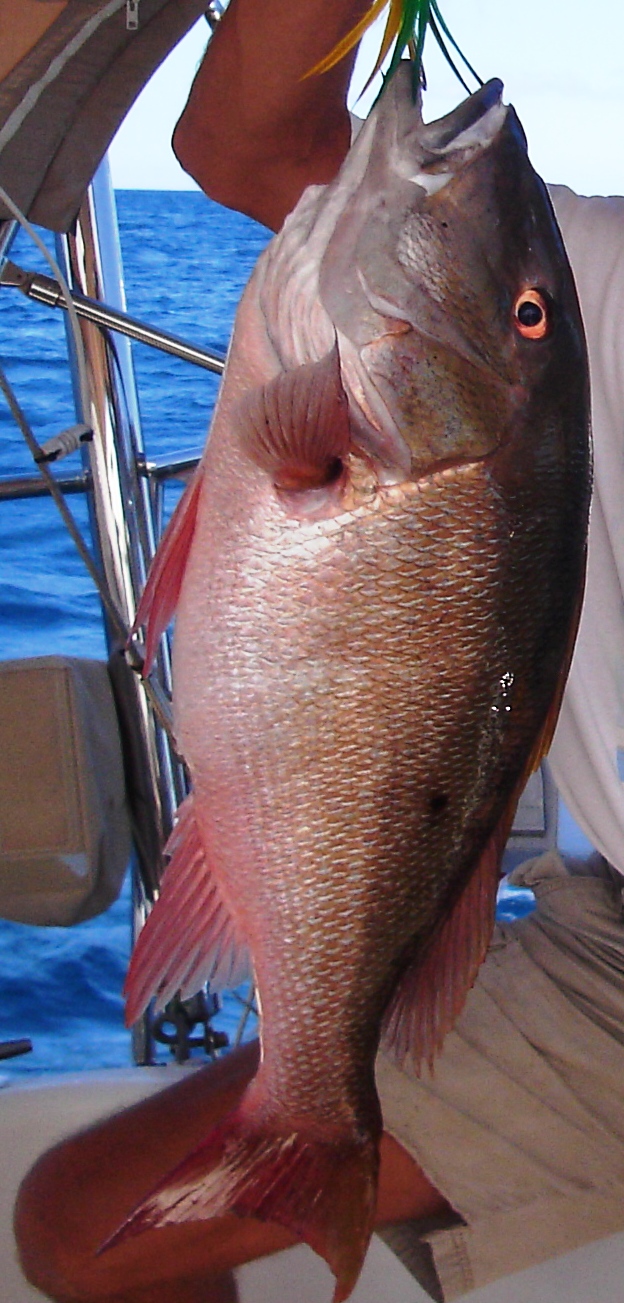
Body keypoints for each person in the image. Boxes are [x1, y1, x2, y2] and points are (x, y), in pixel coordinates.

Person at [14, 3, 624, 1301]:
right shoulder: (572, 291)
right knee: (84, 1225)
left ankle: (318, 1112)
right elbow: (244, 141)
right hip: (602, 929)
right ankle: (318, 1105)